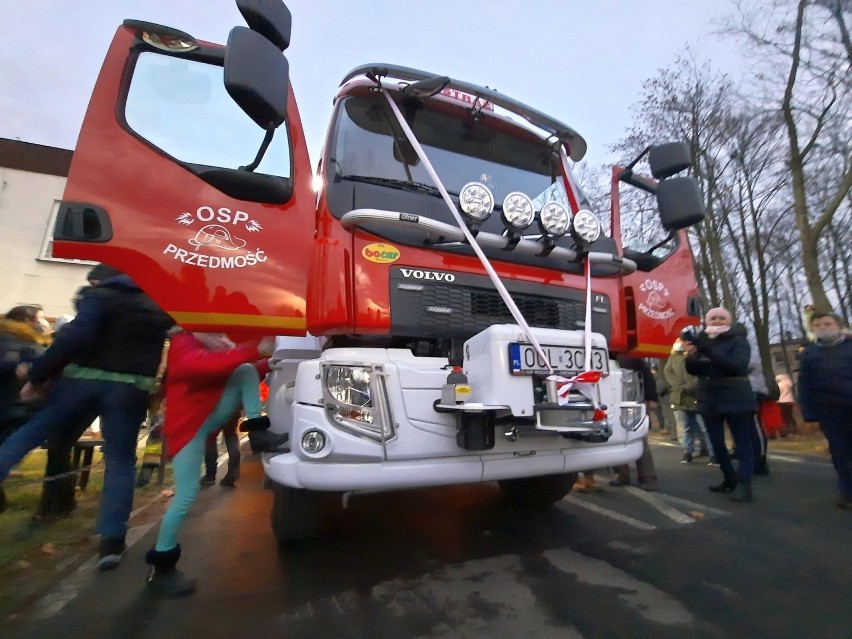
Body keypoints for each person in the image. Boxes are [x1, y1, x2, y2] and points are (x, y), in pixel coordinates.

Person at [0, 264, 174, 566]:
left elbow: (74, 337)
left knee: (34, 429)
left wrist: (38, 377)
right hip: (130, 388)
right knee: (120, 460)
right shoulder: (161, 304)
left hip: (81, 381)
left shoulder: (103, 295)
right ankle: (111, 541)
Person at [144, 329, 275, 595]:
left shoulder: (206, 340)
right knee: (186, 495)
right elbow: (202, 365)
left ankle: (258, 432)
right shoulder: (184, 341)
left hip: (203, 419)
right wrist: (255, 350)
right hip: (188, 429)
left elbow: (228, 368)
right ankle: (162, 564)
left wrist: (266, 361)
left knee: (246, 370)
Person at [684, 307, 756, 503]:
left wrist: (706, 349)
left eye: (721, 318)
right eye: (713, 318)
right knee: (716, 441)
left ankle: (744, 483)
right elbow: (694, 370)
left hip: (736, 395)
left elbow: (737, 366)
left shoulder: (739, 340)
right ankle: (729, 478)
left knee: (742, 441)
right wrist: (690, 356)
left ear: (729, 321)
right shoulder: (702, 341)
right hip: (709, 396)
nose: (717, 321)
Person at [797, 311, 852, 509]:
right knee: (839, 452)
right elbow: (804, 385)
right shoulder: (809, 353)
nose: (823, 327)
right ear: (812, 329)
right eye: (818, 325)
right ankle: (848, 493)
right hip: (828, 411)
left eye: (827, 324)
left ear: (838, 326)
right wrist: (808, 412)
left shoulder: (849, 346)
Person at [0, 306, 52, 448]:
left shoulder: (29, 340)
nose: (43, 322)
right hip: (14, 401)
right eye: (40, 318)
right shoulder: (19, 341)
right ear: (27, 320)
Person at [610, 356, 658, 491]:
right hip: (613, 401)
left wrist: (651, 397)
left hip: (632, 400)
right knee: (615, 440)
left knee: (639, 439)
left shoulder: (630, 354)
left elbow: (646, 375)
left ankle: (648, 477)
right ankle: (621, 474)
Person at [664, 338, 712, 464]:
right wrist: (679, 385)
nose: (686, 345)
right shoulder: (674, 357)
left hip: (697, 396)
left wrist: (691, 385)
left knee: (705, 427)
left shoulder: (699, 356)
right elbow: (667, 372)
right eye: (684, 342)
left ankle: (713, 453)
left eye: (689, 343)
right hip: (679, 397)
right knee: (685, 427)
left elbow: (702, 373)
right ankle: (687, 452)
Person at [201, 411, 241, 487]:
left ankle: (210, 475)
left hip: (215, 409)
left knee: (210, 439)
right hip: (232, 409)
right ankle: (233, 471)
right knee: (231, 436)